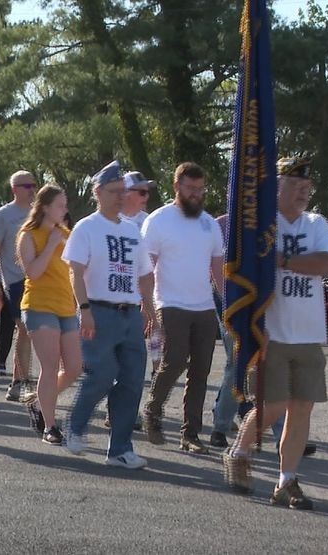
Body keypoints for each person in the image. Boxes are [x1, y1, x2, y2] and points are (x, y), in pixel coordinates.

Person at [222, 156, 328, 510]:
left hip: (308, 332)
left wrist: (285, 262)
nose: (304, 192)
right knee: (271, 405)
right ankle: (240, 451)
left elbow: (326, 263)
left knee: (301, 407)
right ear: (277, 186)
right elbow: (244, 276)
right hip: (270, 331)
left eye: (308, 187)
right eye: (296, 185)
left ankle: (287, 481)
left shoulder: (316, 223)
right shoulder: (260, 227)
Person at [61, 161, 155, 469]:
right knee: (101, 375)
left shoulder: (132, 231)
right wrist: (84, 310)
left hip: (130, 314)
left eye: (123, 192)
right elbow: (76, 273)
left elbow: (144, 274)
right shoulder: (86, 227)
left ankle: (119, 449)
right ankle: (74, 426)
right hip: (99, 311)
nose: (120, 197)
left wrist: (149, 309)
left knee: (131, 381)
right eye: (114, 192)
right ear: (98, 193)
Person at [141, 163, 224, 454]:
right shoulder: (158, 220)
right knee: (174, 360)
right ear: (176, 186)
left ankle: (190, 435)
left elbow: (217, 269)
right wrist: (147, 306)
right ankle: (153, 408)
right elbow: (146, 267)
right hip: (170, 302)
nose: (196, 195)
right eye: (191, 189)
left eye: (200, 189)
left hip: (203, 307)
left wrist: (227, 304)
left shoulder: (210, 224)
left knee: (200, 371)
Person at [17, 184, 83, 444]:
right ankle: (50, 426)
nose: (65, 209)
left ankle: (38, 400)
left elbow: (76, 272)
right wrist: (51, 245)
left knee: (75, 367)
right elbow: (32, 272)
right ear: (45, 207)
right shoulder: (28, 234)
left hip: (67, 306)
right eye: (60, 205)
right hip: (38, 305)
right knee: (50, 365)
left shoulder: (67, 233)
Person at [0, 171, 36, 400]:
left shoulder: (38, 212)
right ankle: (23, 382)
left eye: (34, 185)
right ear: (14, 189)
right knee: (25, 329)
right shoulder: (3, 215)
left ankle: (17, 382)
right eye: (27, 186)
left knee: (27, 332)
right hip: (15, 281)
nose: (32, 189)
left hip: (38, 280)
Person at [120, 171, 162, 379]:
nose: (146, 196)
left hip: (148, 287)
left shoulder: (148, 221)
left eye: (147, 192)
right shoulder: (113, 219)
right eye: (142, 191)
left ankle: (156, 368)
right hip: (123, 291)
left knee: (155, 328)